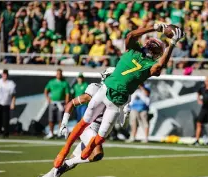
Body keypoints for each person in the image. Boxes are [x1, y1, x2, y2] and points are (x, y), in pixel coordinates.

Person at [53, 24, 185, 169]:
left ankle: (86, 151)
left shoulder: (150, 65)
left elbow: (159, 66)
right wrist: (153, 27)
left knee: (101, 137)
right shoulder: (133, 50)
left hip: (117, 102)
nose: (151, 47)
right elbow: (130, 35)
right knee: (85, 121)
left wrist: (172, 44)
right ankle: (64, 151)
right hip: (105, 91)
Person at [32, 67, 130, 177]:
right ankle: (68, 162)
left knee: (72, 163)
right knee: (97, 153)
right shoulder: (96, 89)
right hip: (88, 128)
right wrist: (64, 123)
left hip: (99, 132)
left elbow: (122, 125)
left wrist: (126, 114)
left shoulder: (123, 96)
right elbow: (71, 103)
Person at [44, 69, 70, 139]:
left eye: (60, 73)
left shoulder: (65, 83)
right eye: (58, 73)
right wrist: (48, 98)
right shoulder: (51, 82)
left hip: (61, 103)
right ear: (56, 74)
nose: (59, 75)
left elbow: (67, 94)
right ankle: (51, 133)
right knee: (51, 119)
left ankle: (60, 133)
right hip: (53, 103)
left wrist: (66, 103)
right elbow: (46, 90)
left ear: (62, 74)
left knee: (60, 119)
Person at [0, 69, 16, 137]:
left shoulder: (11, 83)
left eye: (6, 74)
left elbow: (13, 95)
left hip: (6, 103)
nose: (4, 76)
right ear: (2, 75)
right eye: (3, 74)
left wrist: (13, 103)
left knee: (5, 119)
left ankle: (5, 133)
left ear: (7, 75)